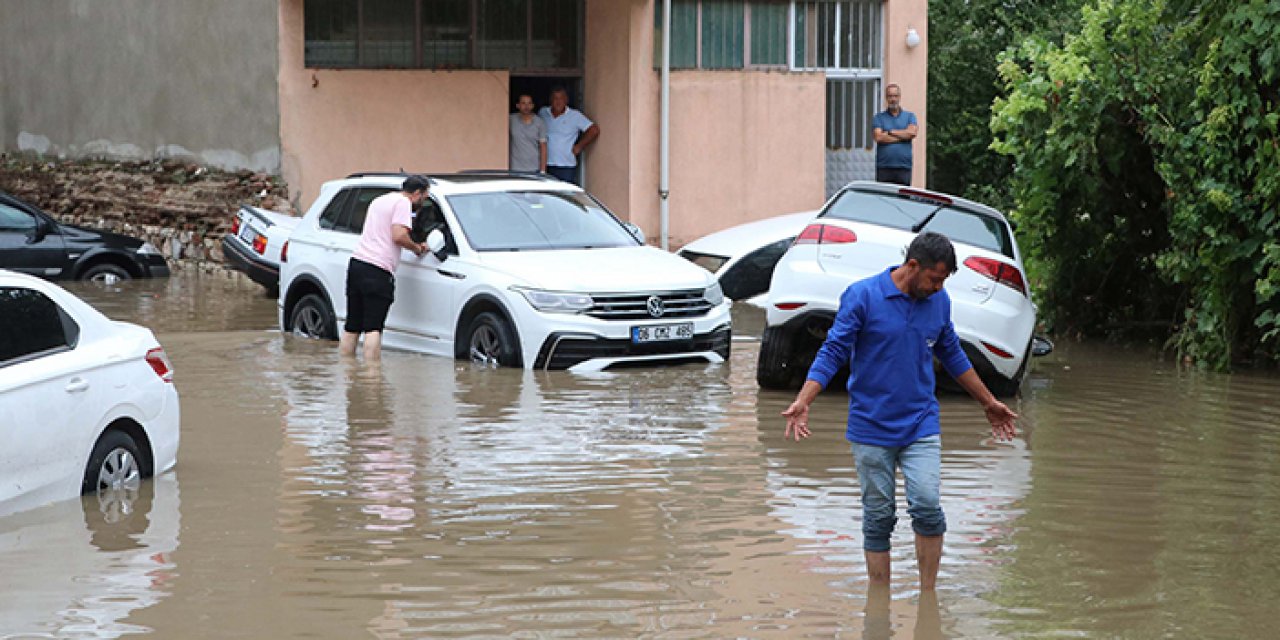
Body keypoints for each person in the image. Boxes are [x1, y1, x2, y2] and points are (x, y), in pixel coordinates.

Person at [781, 231, 1017, 591]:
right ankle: (879, 602)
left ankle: (927, 599)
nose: (939, 288)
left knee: (926, 505)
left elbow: (951, 352)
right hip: (870, 425)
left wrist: (989, 402)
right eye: (935, 279)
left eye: (944, 281)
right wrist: (804, 399)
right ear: (912, 266)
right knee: (879, 517)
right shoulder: (863, 296)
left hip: (921, 421)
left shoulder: (939, 303)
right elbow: (833, 351)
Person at [339, 174, 429, 361]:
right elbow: (398, 235)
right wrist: (417, 248)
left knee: (352, 325)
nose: (423, 202)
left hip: (357, 264)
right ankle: (372, 381)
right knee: (373, 328)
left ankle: (348, 373)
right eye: (425, 197)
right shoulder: (403, 203)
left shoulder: (380, 200)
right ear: (417, 193)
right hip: (377, 269)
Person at [539, 86, 599, 185]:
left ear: (566, 100)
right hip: (546, 164)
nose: (558, 102)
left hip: (566, 164)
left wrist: (579, 146)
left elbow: (594, 130)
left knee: (564, 195)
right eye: (555, 98)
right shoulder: (543, 113)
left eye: (561, 98)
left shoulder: (575, 115)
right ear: (550, 100)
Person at [872, 83, 917, 185]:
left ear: (899, 97)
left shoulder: (910, 116)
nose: (893, 99)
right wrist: (903, 136)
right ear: (886, 98)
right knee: (883, 198)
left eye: (895, 96)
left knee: (902, 199)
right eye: (890, 96)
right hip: (884, 167)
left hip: (903, 167)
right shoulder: (879, 118)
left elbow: (912, 133)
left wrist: (891, 132)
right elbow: (878, 137)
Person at [509, 93, 547, 173]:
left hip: (534, 167)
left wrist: (543, 170)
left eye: (529, 103)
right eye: (523, 103)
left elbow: (543, 146)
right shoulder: (510, 120)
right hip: (514, 168)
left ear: (533, 106)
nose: (526, 106)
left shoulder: (539, 122)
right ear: (518, 105)